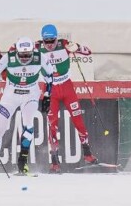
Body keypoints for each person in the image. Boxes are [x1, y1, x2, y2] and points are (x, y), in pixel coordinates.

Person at [0, 37, 55, 175]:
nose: (24, 58)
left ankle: (22, 163)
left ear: (33, 51)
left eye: (28, 55)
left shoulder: (40, 57)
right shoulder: (8, 58)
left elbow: (50, 76)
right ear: (17, 52)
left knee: (28, 125)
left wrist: (47, 96)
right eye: (21, 55)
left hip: (31, 95)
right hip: (11, 95)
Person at [36, 24, 98, 173]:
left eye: (52, 40)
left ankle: (88, 154)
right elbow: (16, 53)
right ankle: (54, 162)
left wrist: (76, 47)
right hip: (50, 89)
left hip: (67, 86)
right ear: (42, 40)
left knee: (78, 120)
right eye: (46, 41)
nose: (49, 44)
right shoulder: (36, 47)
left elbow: (88, 52)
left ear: (56, 38)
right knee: (52, 125)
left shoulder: (64, 44)